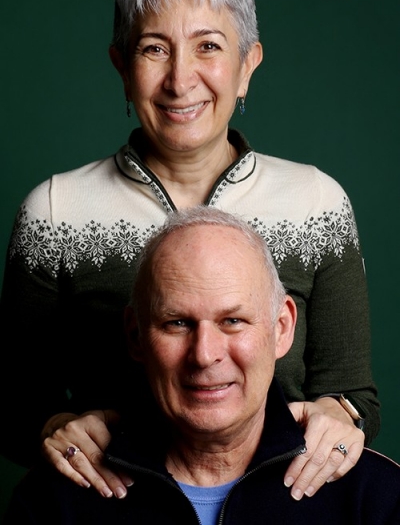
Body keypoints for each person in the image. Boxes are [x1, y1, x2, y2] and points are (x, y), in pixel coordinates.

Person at [0, 0, 378, 505]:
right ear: (122, 67)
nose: (180, 79)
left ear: (248, 64)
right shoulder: (55, 211)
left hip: (285, 507)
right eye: (154, 48)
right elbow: (14, 408)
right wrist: (56, 428)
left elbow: (357, 397)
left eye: (208, 46)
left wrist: (336, 414)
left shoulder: (316, 203)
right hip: (116, 509)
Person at [3, 207, 399, 524]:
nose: (204, 354)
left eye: (233, 321)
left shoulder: (374, 497)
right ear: (136, 335)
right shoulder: (54, 502)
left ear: (282, 329)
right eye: (177, 323)